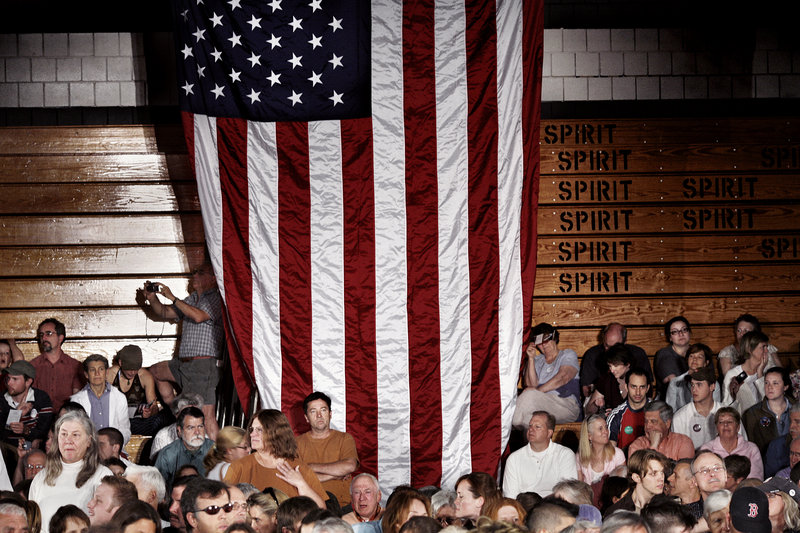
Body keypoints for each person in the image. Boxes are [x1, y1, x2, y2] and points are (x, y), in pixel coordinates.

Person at [145, 263, 224, 441]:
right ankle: (179, 412)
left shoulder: (217, 298)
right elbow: (165, 312)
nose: (194, 275)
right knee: (156, 371)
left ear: (213, 277)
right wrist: (152, 298)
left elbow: (198, 316)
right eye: (194, 272)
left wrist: (172, 297)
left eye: (199, 272)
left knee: (207, 416)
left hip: (204, 365)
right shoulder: (191, 299)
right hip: (183, 363)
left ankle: (218, 461)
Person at [29, 411, 113, 533]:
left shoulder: (102, 475)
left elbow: (106, 522)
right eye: (63, 434)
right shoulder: (41, 477)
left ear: (89, 441)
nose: (68, 440)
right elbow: (33, 521)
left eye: (75, 435)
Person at [224, 409, 326, 507]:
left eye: (259, 430)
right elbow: (223, 504)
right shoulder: (239, 466)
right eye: (252, 429)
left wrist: (301, 484)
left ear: (276, 433)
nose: (252, 434)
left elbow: (321, 509)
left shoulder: (299, 468)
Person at [296, 392, 359, 507]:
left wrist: (310, 467)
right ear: (306, 418)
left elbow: (350, 466)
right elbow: (299, 476)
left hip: (342, 507)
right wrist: (334, 475)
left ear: (330, 414)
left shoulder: (345, 439)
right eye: (313, 411)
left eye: (323, 410)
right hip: (309, 507)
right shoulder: (297, 443)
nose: (319, 415)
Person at [512, 323, 580, 426]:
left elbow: (563, 377)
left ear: (554, 338)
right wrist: (530, 359)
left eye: (547, 340)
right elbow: (531, 386)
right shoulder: (537, 361)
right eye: (539, 342)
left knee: (527, 399)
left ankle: (509, 424)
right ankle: (515, 427)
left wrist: (537, 392)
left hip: (566, 405)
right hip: (541, 408)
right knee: (527, 421)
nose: (544, 344)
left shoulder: (567, 354)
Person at [503, 411, 577, 498]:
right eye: (530, 426)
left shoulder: (564, 455)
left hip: (554, 508)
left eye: (537, 427)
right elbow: (510, 496)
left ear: (549, 433)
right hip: (524, 508)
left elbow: (568, 492)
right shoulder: (514, 458)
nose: (531, 429)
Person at [25, 318, 86, 414]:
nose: (44, 338)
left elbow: (77, 401)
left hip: (66, 419)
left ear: (60, 338)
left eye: (48, 334)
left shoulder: (75, 366)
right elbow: (29, 399)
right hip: (39, 420)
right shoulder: (32, 366)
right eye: (41, 335)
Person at [579, 323, 653, 400]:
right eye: (607, 346)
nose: (610, 351)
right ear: (603, 339)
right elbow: (586, 392)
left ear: (625, 343)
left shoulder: (638, 354)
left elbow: (648, 390)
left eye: (615, 347)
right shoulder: (593, 354)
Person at [70, 354, 131, 445]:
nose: (97, 373)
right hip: (87, 450)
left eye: (101, 369)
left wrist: (113, 447)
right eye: (92, 370)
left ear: (106, 373)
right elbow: (75, 432)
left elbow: (125, 430)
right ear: (86, 374)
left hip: (112, 450)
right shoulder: (76, 400)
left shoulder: (119, 397)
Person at [108, 345, 166, 437]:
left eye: (135, 369)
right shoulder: (110, 374)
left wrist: (150, 412)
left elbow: (153, 406)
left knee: (162, 419)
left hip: (136, 422)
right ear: (120, 363)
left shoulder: (145, 376)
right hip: (115, 422)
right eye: (129, 369)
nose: (132, 373)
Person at [155, 406, 215, 489]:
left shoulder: (215, 451)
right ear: (179, 430)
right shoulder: (167, 455)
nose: (197, 432)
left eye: (200, 426)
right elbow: (158, 489)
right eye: (191, 428)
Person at [0, 360, 54, 450]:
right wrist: (16, 414)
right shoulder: (1, 399)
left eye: (15, 379)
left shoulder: (41, 398)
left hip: (34, 455)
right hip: (6, 453)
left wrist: (26, 430)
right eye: (8, 378)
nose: (9, 383)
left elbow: (45, 432)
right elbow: (1, 435)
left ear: (28, 381)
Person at [742, 367, 793, 459]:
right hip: (765, 465)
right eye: (766, 383)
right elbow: (749, 446)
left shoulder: (796, 409)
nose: (769, 387)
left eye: (775, 383)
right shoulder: (752, 413)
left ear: (785, 387)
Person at [700, 407, 764, 480]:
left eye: (730, 421)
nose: (725, 425)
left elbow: (755, 479)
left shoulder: (751, 449)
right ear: (717, 427)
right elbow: (704, 478)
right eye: (721, 422)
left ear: (738, 427)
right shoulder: (707, 449)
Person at [671, 366, 725, 449]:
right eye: (692, 385)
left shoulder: (727, 413)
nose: (694, 389)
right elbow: (677, 451)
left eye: (699, 385)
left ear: (712, 386)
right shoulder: (680, 417)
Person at [604, 449, 667, 516]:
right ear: (637, 478)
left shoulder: (667, 508)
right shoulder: (617, 512)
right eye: (653, 474)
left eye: (662, 472)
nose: (661, 478)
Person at [627, 402, 694, 461]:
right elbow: (642, 472)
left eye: (653, 422)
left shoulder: (683, 442)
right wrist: (653, 446)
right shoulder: (637, 446)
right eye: (646, 421)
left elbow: (683, 472)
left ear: (667, 423)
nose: (648, 426)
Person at [575, 415, 626, 493]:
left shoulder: (617, 454)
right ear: (589, 436)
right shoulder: (580, 456)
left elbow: (622, 487)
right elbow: (578, 486)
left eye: (606, 427)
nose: (605, 431)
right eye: (600, 428)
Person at [722, 331, 769, 414]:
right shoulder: (733, 374)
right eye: (763, 347)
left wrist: (760, 374)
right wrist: (734, 395)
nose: (766, 351)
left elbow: (769, 403)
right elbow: (726, 406)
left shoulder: (766, 373)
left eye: (767, 347)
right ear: (750, 349)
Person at [665, 343, 720, 411]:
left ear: (706, 362)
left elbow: (715, 409)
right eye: (691, 356)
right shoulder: (675, 382)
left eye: (699, 357)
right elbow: (670, 409)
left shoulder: (713, 383)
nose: (694, 359)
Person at [607, 369, 651, 453]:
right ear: (626, 387)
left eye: (642, 387)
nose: (638, 392)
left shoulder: (657, 412)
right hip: (624, 464)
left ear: (647, 388)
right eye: (633, 387)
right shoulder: (616, 415)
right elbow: (610, 452)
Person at [151, 393, 205, 460]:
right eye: (186, 413)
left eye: (195, 413)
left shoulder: (204, 436)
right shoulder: (163, 436)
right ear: (176, 415)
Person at [584, 344, 632, 416]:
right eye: (610, 366)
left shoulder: (639, 379)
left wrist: (617, 414)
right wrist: (596, 404)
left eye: (615, 365)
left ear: (627, 364)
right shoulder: (607, 379)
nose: (612, 370)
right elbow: (588, 411)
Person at [653, 316, 691, 400]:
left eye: (684, 330)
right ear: (670, 337)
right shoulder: (664, 354)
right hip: (670, 403)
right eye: (675, 332)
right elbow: (674, 384)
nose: (681, 334)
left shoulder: (699, 352)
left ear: (689, 332)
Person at [765, 404, 800, 478]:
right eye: (790, 421)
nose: (791, 427)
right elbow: (770, 480)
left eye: (798, 422)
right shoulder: (776, 446)